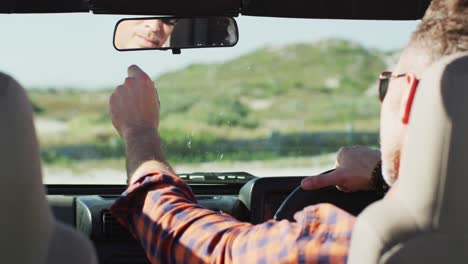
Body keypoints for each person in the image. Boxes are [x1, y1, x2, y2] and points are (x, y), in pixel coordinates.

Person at [109, 0, 468, 263]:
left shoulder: (358, 245)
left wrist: (139, 132)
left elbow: (196, 247)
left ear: (408, 99)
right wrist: (384, 177)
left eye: (387, 84)